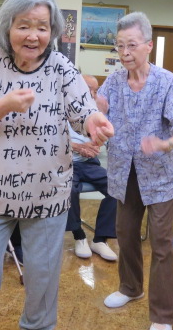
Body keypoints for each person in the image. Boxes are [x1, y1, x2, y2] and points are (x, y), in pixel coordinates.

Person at [0, 0, 113, 330]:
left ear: (53, 31)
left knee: (42, 281)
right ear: (8, 26)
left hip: (48, 195)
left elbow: (82, 109)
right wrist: (5, 105)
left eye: (42, 27)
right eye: (24, 25)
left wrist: (94, 121)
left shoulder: (61, 67)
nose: (33, 35)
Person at [97, 11, 173, 330]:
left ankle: (163, 316)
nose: (125, 53)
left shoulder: (166, 81)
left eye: (132, 46)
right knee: (125, 235)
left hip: (161, 176)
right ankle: (130, 288)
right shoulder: (113, 81)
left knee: (161, 243)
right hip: (124, 171)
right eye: (119, 46)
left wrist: (167, 144)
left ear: (148, 46)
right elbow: (98, 114)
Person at [66, 74, 117, 262]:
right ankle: (79, 236)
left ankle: (100, 239)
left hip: (88, 163)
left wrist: (95, 145)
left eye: (96, 90)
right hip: (67, 162)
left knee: (117, 187)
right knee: (69, 189)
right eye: (89, 88)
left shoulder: (96, 110)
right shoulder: (62, 105)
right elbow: (50, 139)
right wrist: (79, 147)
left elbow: (103, 138)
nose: (93, 93)